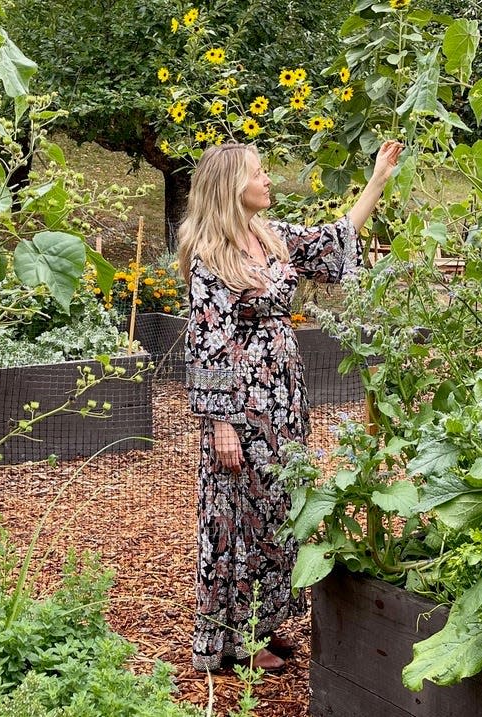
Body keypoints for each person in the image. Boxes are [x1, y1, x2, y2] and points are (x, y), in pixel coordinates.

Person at [179, 139, 403, 673]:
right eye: (259, 174)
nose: (268, 181)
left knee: (278, 504)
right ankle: (235, 640)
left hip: (282, 395)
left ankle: (260, 624)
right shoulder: (211, 255)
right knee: (241, 513)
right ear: (234, 188)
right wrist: (220, 423)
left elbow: (334, 240)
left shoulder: (270, 236)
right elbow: (207, 339)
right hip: (241, 402)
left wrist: (376, 181)